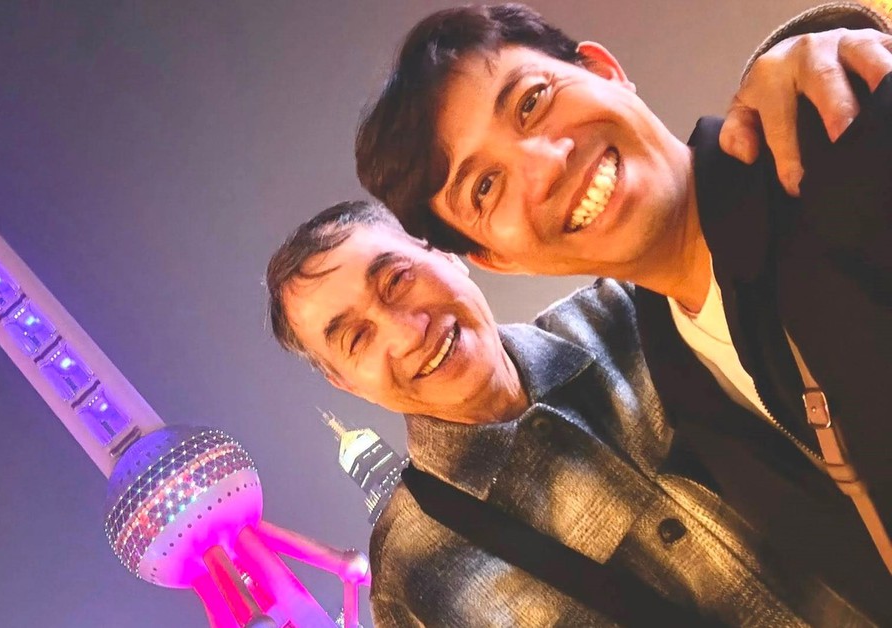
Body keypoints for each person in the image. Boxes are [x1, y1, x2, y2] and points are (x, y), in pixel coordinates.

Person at [352, 1, 892, 619]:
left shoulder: (835, 155)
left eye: (531, 102)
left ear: (603, 69)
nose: (546, 164)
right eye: (485, 187)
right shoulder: (672, 372)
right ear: (496, 257)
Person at [265, 200, 875, 626]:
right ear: (346, 382)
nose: (407, 332)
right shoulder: (411, 579)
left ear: (445, 255)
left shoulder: (636, 313)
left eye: (397, 280)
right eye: (357, 338)